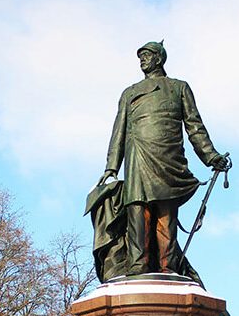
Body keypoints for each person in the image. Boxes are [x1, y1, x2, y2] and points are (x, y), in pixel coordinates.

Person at [99, 41, 230, 275]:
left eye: (147, 56)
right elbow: (119, 131)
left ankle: (167, 268)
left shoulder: (179, 88)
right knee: (138, 213)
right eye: (140, 57)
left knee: (166, 217)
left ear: (159, 58)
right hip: (138, 157)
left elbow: (195, 127)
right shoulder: (129, 93)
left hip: (168, 159)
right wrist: (111, 167)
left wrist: (211, 157)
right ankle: (137, 267)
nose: (142, 60)